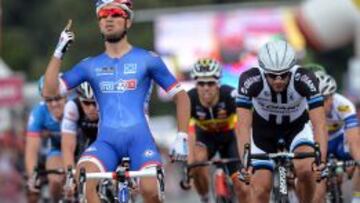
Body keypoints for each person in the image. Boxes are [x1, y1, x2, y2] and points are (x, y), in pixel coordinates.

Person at [42, 0, 190, 202]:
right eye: (103, 15)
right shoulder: (90, 65)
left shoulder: (148, 59)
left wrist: (182, 136)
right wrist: (59, 51)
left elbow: (181, 96)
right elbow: (50, 90)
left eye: (115, 13)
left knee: (150, 191)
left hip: (141, 142)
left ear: (128, 22)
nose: (108, 19)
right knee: (84, 178)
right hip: (106, 143)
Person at [236, 40, 328, 202]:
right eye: (272, 75)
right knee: (260, 190)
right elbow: (243, 125)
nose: (278, 80)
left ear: (291, 70)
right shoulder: (250, 80)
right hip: (262, 133)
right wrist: (245, 161)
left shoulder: (305, 79)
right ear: (263, 71)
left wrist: (321, 161)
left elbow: (319, 124)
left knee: (306, 171)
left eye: (284, 74)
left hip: (296, 129)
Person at [187, 58, 250, 203]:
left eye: (210, 82)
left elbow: (242, 128)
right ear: (196, 84)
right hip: (205, 138)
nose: (206, 88)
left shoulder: (230, 95)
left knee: (242, 185)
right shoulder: (189, 99)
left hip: (230, 138)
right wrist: (190, 166)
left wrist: (245, 158)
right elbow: (189, 133)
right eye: (201, 83)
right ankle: (205, 197)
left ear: (218, 83)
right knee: (197, 163)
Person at [312, 73, 360, 203]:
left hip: (339, 140)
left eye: (329, 97)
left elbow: (353, 139)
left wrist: (357, 160)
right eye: (322, 99)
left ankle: (357, 199)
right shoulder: (304, 106)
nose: (328, 102)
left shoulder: (344, 104)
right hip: (317, 142)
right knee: (317, 189)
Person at [25, 76, 66, 202]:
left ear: (66, 95)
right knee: (55, 180)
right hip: (58, 150)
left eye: (58, 98)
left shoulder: (76, 105)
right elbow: (31, 150)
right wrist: (33, 176)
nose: (54, 104)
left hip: (83, 147)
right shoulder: (39, 112)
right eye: (48, 100)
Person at [61, 82, 99, 169]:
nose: (91, 108)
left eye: (95, 103)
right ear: (79, 99)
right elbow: (67, 146)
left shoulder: (110, 105)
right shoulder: (72, 106)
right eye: (86, 103)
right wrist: (71, 177)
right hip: (84, 142)